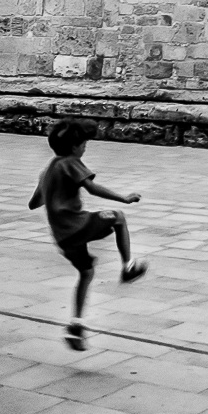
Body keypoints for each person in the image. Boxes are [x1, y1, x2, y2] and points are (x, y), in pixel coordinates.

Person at [28, 118, 147, 351]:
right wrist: (124, 197)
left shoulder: (47, 171)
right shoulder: (70, 163)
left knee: (86, 272)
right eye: (84, 144)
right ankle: (128, 266)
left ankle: (76, 325)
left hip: (63, 237)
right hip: (78, 226)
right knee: (118, 217)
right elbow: (92, 188)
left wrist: (51, 191)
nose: (85, 148)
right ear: (74, 147)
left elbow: (34, 203)